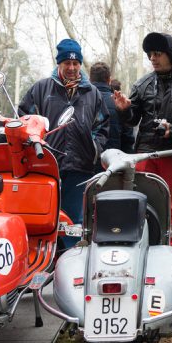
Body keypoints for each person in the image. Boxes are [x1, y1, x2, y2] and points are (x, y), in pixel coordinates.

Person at [19, 39, 109, 248]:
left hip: (80, 166)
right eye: (66, 63)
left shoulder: (92, 93)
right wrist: (34, 146)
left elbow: (103, 125)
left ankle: (71, 263)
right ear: (59, 63)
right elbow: (25, 118)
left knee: (74, 222)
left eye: (75, 63)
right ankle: (45, 260)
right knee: (45, 216)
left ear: (80, 64)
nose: (71, 68)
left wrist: (94, 149)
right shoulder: (41, 88)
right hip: (46, 165)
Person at [113, 32, 172, 228]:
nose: (152, 58)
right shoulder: (142, 84)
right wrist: (124, 110)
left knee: (166, 204)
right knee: (139, 203)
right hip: (145, 153)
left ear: (169, 54)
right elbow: (132, 120)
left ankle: (168, 247)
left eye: (157, 54)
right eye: (150, 54)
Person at [90, 62, 134, 157]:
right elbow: (128, 137)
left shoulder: (82, 101)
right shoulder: (120, 103)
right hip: (113, 162)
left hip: (88, 162)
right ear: (109, 80)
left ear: (90, 80)